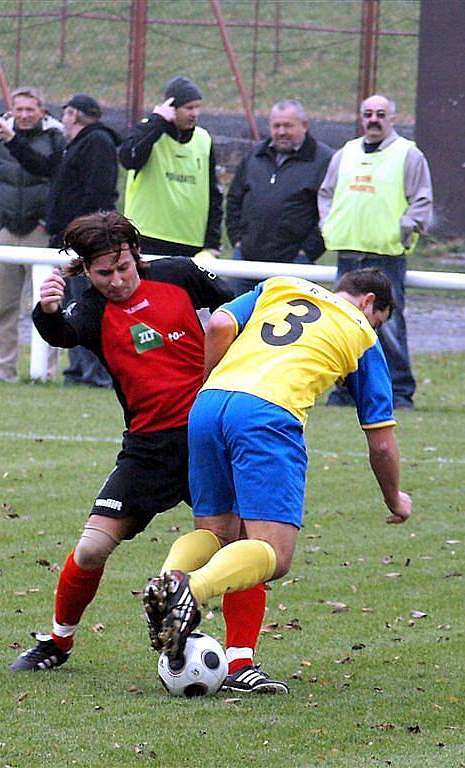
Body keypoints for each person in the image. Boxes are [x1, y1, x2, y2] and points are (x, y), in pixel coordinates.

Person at [10, 211, 285, 693]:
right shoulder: (92, 309)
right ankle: (58, 641)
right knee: (92, 547)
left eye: (124, 268)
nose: (117, 280)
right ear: (87, 272)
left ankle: (242, 664)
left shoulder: (179, 275)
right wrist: (47, 311)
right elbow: (60, 334)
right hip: (147, 449)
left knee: (236, 543)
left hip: (209, 434)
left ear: (136, 256)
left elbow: (239, 305)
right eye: (103, 273)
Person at [143, 268, 412, 685]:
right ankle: (190, 592)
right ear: (369, 304)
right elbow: (381, 443)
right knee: (272, 553)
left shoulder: (279, 286)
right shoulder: (361, 332)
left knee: (220, 536)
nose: (373, 325)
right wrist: (395, 498)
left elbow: (217, 324)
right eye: (379, 319)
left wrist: (210, 386)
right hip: (268, 415)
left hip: (210, 405)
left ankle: (170, 583)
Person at [0, 93, 120, 387]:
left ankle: (95, 375)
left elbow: (97, 194)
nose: (62, 118)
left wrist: (82, 234)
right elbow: (41, 165)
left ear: (73, 115)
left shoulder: (97, 142)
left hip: (84, 243)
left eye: (66, 113)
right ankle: (77, 372)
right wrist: (11, 139)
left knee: (87, 306)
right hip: (71, 242)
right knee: (73, 305)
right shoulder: (75, 145)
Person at [318, 94, 433, 410]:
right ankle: (343, 390)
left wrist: (404, 227)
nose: (373, 119)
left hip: (386, 256)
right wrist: (329, 225)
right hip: (349, 254)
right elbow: (326, 194)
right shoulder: (345, 154)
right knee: (343, 325)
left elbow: (422, 201)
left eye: (380, 113)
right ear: (360, 117)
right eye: (368, 113)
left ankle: (399, 392)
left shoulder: (409, 155)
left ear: (393, 118)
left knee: (389, 328)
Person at [0, 86, 65, 383]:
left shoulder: (55, 138)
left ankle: (46, 372)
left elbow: (59, 183)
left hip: (41, 234)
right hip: (4, 234)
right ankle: (3, 371)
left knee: (49, 306)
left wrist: (47, 224)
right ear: (12, 110)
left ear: (42, 110)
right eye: (19, 109)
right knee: (4, 307)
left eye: (30, 109)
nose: (24, 115)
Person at [226, 99, 333, 295]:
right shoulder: (255, 156)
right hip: (246, 261)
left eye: (288, 125)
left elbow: (331, 209)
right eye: (276, 126)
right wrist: (238, 241)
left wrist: (308, 251)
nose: (281, 132)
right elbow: (234, 199)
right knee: (236, 322)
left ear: (304, 125)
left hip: (294, 265)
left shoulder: (324, 161)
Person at [120, 75, 222, 259]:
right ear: (171, 107)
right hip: (147, 237)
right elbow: (128, 157)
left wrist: (213, 242)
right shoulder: (149, 130)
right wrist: (157, 121)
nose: (194, 113)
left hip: (190, 241)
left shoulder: (203, 139)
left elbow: (213, 193)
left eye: (197, 107)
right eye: (188, 108)